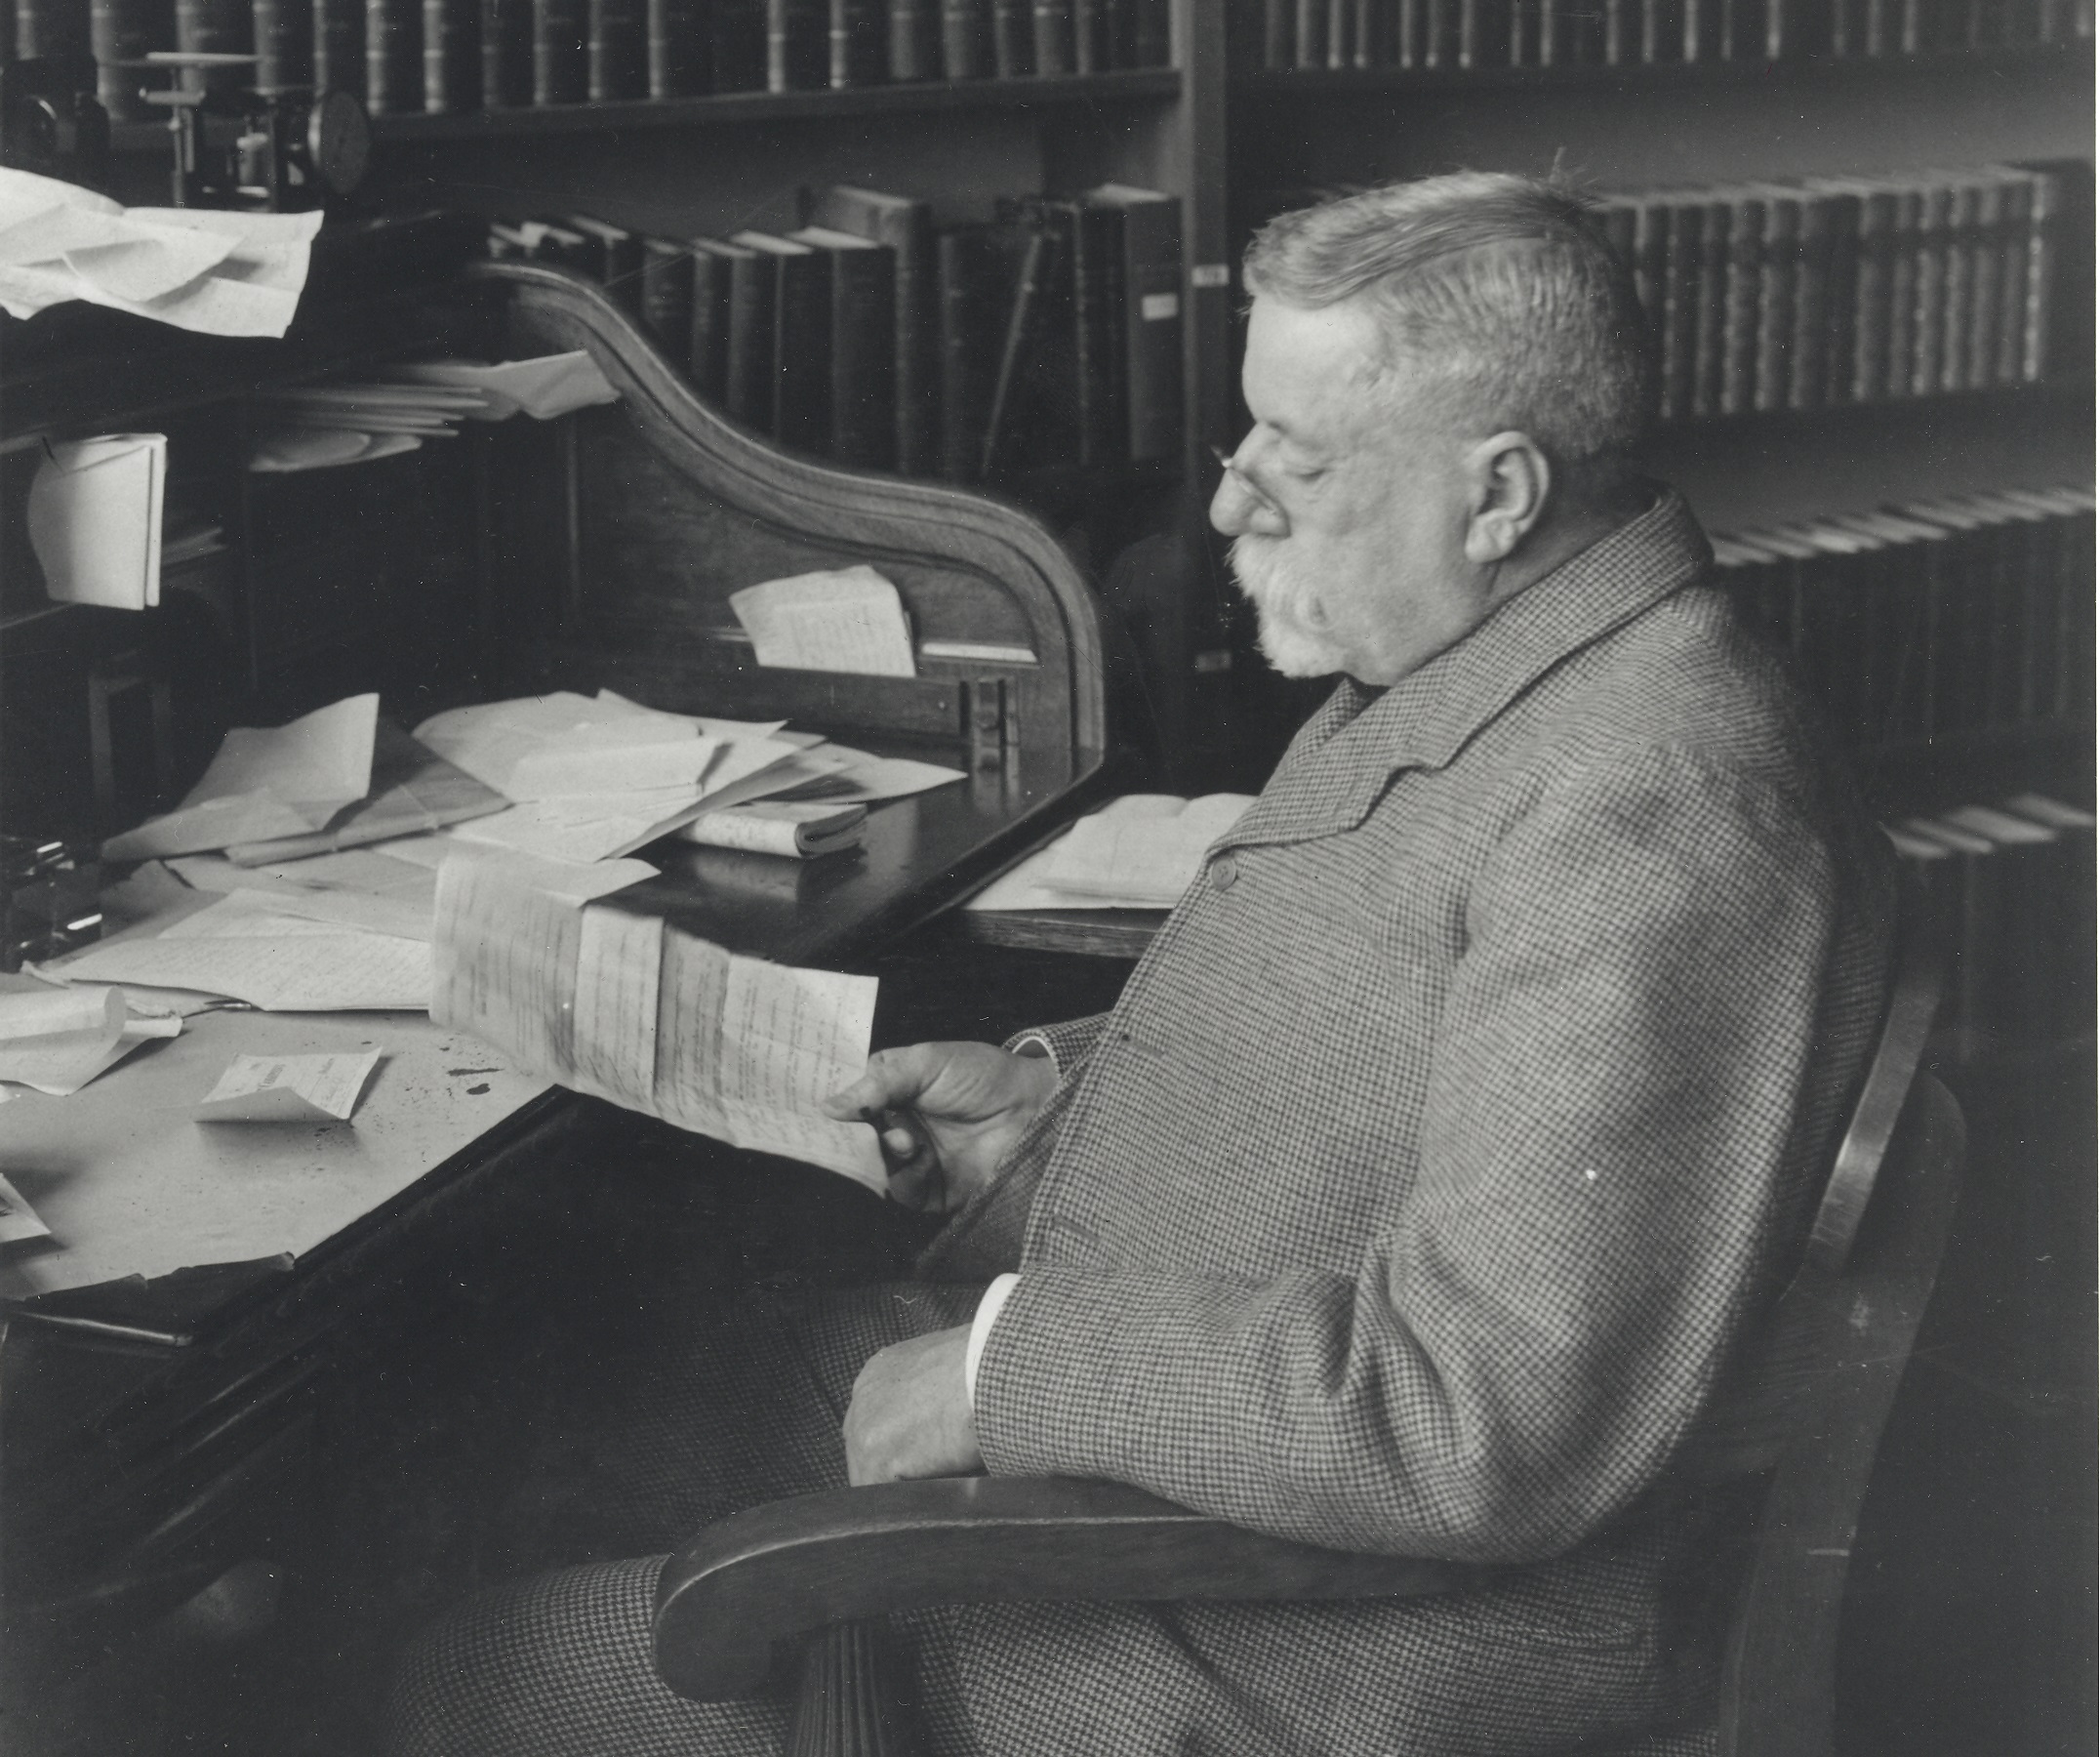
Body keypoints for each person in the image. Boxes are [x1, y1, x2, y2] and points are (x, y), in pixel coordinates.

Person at [386, 170, 1894, 1756]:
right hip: (1229, 1457)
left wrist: (1005, 1377)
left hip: (1322, 1644)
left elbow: (1488, 1416)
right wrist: (1047, 1115)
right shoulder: (1515, 654)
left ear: (1499, 493)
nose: (1232, 500)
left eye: (1294, 465)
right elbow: (1394, 1056)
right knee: (521, 1433)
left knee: (470, 1676)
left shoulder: (1657, 800)